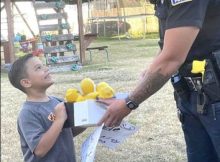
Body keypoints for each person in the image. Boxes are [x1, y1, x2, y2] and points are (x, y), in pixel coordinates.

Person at [98, 0, 220, 162]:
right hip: (193, 95)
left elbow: (170, 60)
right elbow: (168, 47)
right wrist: (131, 93)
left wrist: (129, 102)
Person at [8, 54, 85, 162]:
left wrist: (85, 122)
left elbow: (68, 133)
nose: (46, 68)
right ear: (26, 82)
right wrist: (59, 120)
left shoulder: (57, 101)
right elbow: (40, 150)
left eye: (43, 65)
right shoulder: (27, 113)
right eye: (38, 68)